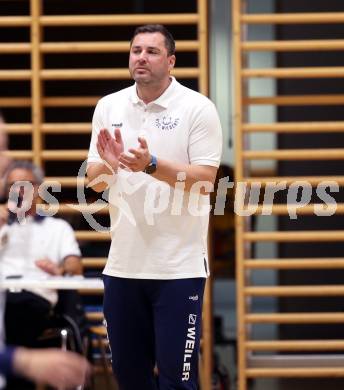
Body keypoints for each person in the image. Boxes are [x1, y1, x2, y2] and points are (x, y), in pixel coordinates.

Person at [87, 24, 222, 389]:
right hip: (123, 267)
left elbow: (206, 180)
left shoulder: (197, 108)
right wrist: (111, 163)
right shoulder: (109, 106)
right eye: (136, 50)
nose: (141, 57)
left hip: (178, 269)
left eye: (151, 51)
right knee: (130, 379)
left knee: (177, 382)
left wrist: (151, 164)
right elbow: (94, 182)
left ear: (171, 61)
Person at [0, 160, 83, 349]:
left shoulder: (58, 228)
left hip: (35, 299)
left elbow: (75, 267)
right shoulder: (1, 224)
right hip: (2, 294)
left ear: (38, 189)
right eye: (13, 186)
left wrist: (60, 269)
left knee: (17, 312)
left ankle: (15, 372)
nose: (19, 191)